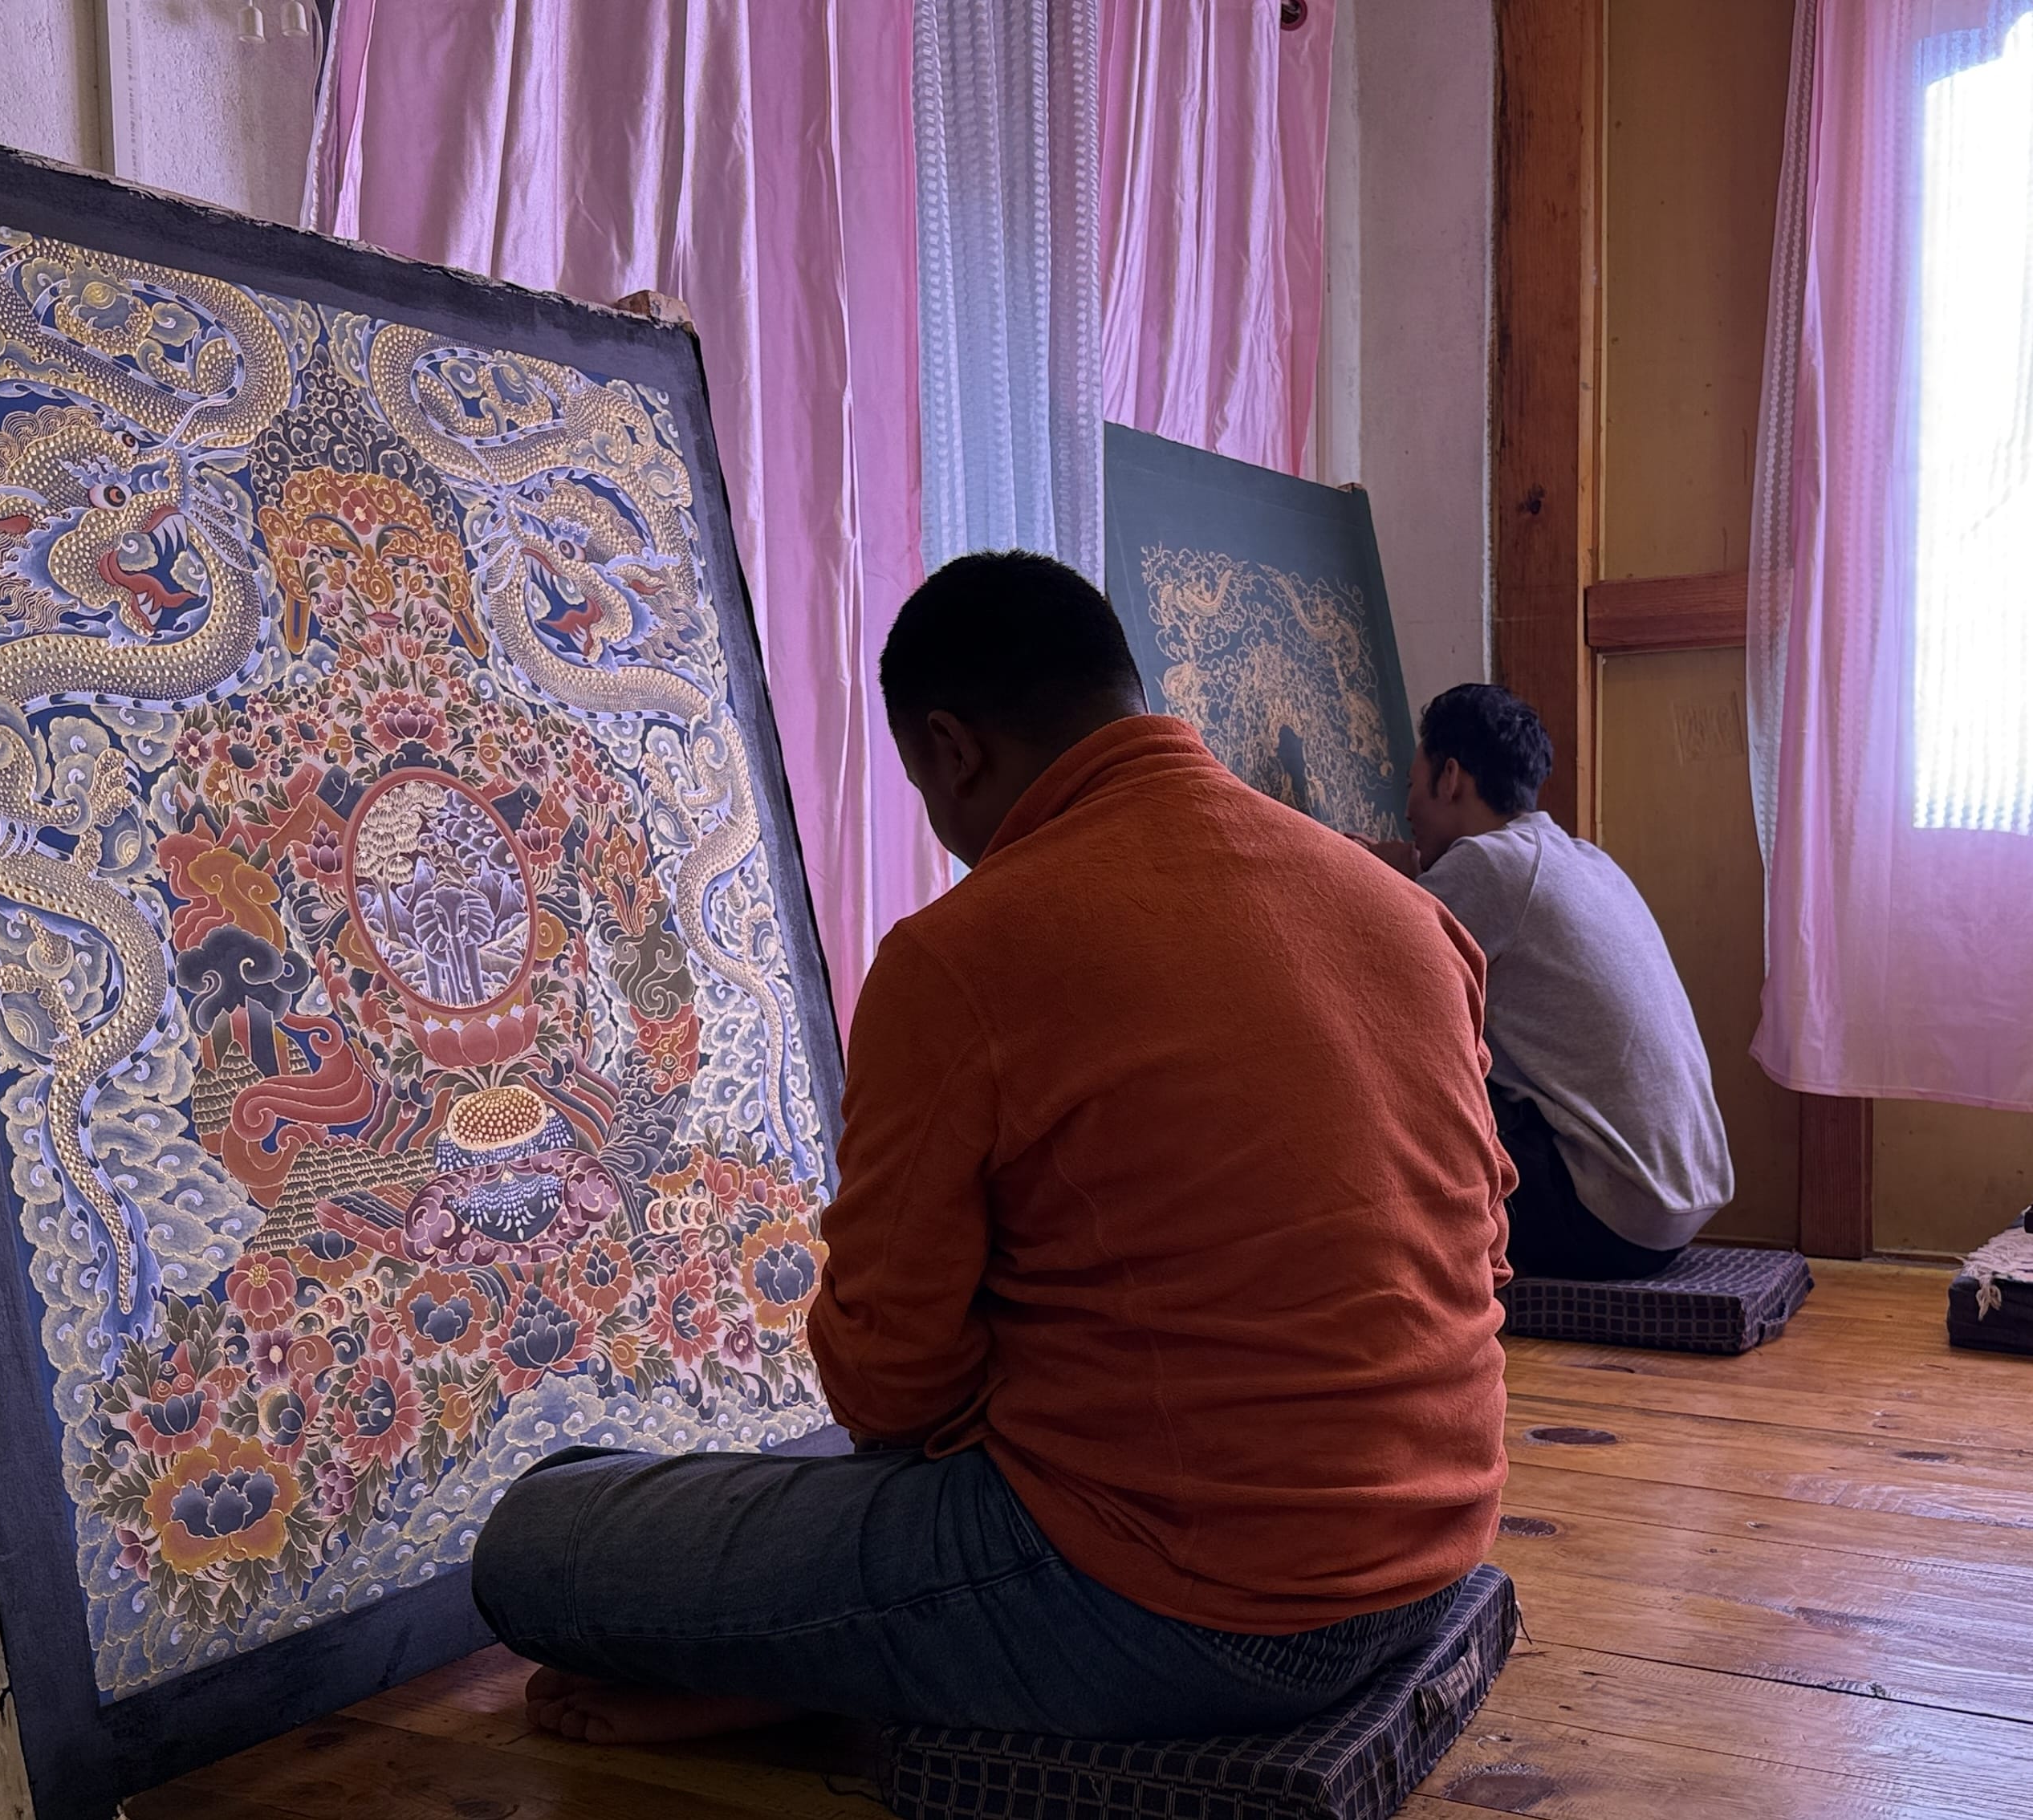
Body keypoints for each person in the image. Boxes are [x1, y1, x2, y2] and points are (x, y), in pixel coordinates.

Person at [476, 550, 1515, 1745]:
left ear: (952, 748)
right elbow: (1480, 1256)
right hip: (1435, 1555)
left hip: (1180, 1609)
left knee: (541, 1535)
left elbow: (887, 1383)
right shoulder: (1406, 910)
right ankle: (838, 1661)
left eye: (924, 783)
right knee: (764, 1506)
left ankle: (835, 1671)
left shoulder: (966, 953)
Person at [1367, 683, 1734, 1281]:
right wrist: (1394, 861)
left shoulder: (1487, 868)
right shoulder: (1583, 859)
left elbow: (1374, 970)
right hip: (1675, 1209)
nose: (1408, 809)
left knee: (1391, 1059)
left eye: (1412, 785)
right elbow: (1424, 874)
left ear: (1451, 778)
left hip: (1604, 1217)